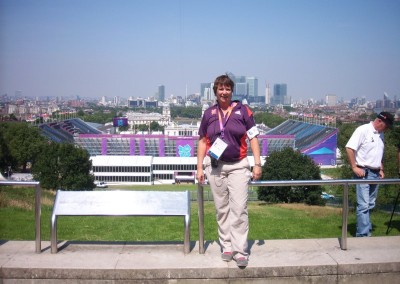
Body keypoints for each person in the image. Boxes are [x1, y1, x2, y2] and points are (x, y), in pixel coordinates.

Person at [196, 74, 262, 267]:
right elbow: (202, 141)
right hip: (215, 166)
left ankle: (240, 250)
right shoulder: (208, 114)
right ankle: (226, 245)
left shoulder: (244, 111)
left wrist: (257, 164)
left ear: (232, 91)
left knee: (239, 209)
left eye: (227, 89)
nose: (224, 92)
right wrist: (199, 167)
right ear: (215, 91)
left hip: (239, 165)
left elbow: (254, 138)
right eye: (220, 89)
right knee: (221, 209)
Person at [345, 111, 394, 237]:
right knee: (363, 205)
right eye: (386, 126)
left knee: (370, 204)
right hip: (363, 172)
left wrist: (381, 169)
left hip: (375, 173)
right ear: (379, 121)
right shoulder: (363, 130)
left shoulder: (380, 134)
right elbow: (349, 148)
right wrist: (354, 167)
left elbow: (378, 153)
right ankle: (363, 235)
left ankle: (365, 230)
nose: (387, 129)